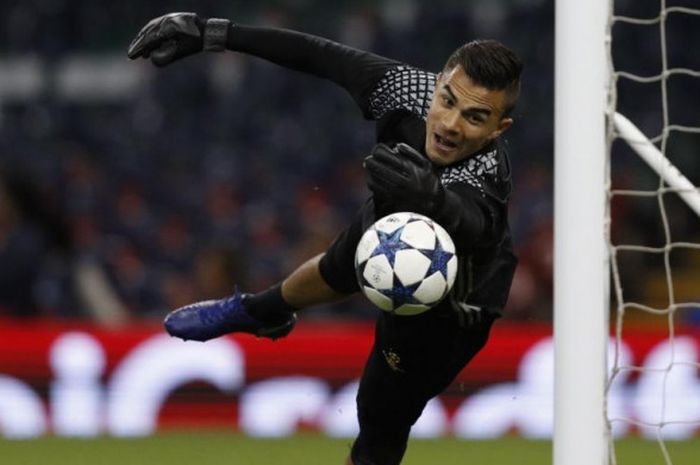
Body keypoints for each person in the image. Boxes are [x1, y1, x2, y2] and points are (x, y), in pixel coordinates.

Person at [128, 13, 522, 465]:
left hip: (452, 303)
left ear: (498, 129)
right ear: (436, 85)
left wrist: (434, 199)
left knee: (379, 416)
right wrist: (213, 33)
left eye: (475, 117)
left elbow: (478, 226)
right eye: (447, 101)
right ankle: (260, 312)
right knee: (335, 268)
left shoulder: (487, 175)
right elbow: (319, 55)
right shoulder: (406, 89)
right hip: (389, 222)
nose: (451, 124)